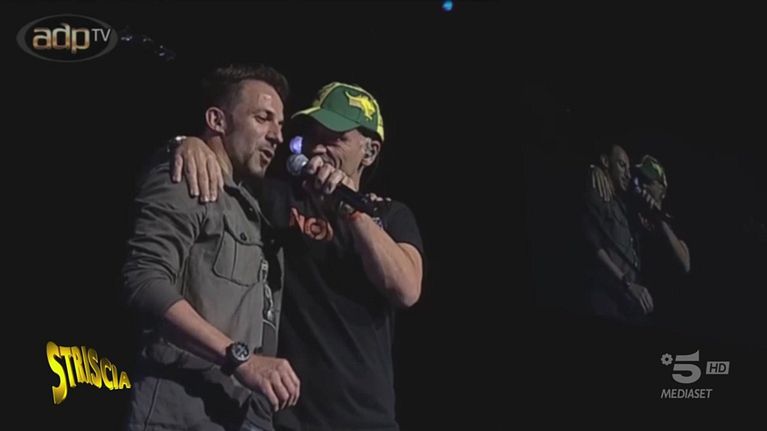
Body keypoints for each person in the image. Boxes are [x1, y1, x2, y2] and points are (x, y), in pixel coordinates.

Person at [171, 82, 424, 431]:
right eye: (313, 136)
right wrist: (190, 143)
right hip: (285, 416)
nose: (318, 148)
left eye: (335, 138)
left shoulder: (390, 215)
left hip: (366, 418)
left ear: (369, 151)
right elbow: (224, 168)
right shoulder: (275, 197)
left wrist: (350, 209)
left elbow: (406, 290)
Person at [122, 64, 300, 431]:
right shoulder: (187, 174)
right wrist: (240, 358)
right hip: (180, 412)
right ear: (217, 120)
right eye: (263, 118)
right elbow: (143, 281)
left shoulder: (251, 206)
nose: (278, 136)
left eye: (280, 124)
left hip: (240, 414)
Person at [590, 154, 690, 323]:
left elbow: (685, 264)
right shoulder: (631, 210)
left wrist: (659, 219)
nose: (643, 185)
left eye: (649, 181)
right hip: (631, 309)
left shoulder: (669, 222)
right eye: (641, 180)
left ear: (662, 189)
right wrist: (596, 169)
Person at [582, 140, 654, 323]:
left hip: (629, 307)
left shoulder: (623, 203)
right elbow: (592, 243)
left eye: (628, 168)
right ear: (606, 162)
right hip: (607, 303)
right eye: (622, 165)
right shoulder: (598, 187)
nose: (628, 174)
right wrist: (627, 284)